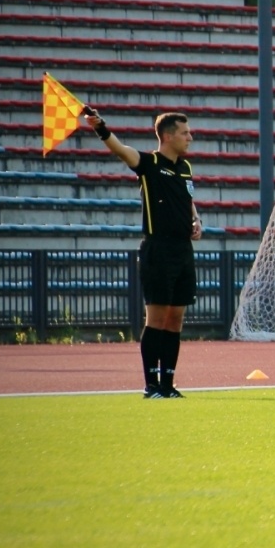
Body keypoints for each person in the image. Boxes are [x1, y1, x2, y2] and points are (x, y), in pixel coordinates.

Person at [82, 108, 202, 397]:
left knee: (176, 319)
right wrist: (100, 127)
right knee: (156, 319)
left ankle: (168, 385)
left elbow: (187, 199)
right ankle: (151, 385)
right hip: (158, 249)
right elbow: (120, 149)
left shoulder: (185, 167)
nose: (190, 137)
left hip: (183, 250)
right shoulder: (149, 163)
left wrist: (196, 219)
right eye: (185, 132)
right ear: (168, 136)